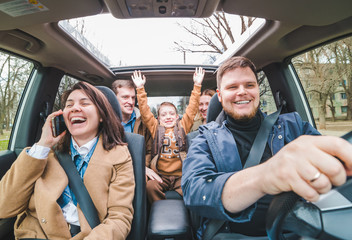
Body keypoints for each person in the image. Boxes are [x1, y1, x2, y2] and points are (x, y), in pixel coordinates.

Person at [182, 56, 352, 239]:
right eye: (232, 87)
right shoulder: (204, 137)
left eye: (249, 85)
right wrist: (265, 176)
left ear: (257, 90)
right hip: (232, 234)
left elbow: (333, 162)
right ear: (220, 96)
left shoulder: (293, 124)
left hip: (299, 230)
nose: (242, 92)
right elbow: (195, 190)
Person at [0, 82, 135, 240]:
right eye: (69, 105)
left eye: (85, 103)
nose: (75, 108)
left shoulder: (120, 157)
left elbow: (119, 218)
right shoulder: (44, 153)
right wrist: (42, 145)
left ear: (101, 115)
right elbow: (2, 208)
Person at [131, 67, 205, 203]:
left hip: (181, 176)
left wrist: (197, 85)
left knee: (194, 187)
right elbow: (146, 112)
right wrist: (140, 88)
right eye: (163, 114)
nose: (168, 117)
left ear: (177, 116)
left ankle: (187, 211)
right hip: (161, 177)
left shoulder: (182, 126)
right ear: (158, 118)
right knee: (150, 187)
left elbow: (192, 109)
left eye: (171, 113)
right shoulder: (155, 128)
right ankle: (159, 208)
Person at [111, 79, 153, 179]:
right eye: (125, 97)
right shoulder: (104, 122)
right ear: (113, 98)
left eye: (133, 98)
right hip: (113, 171)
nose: (130, 102)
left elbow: (149, 151)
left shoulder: (144, 122)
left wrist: (141, 167)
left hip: (140, 172)